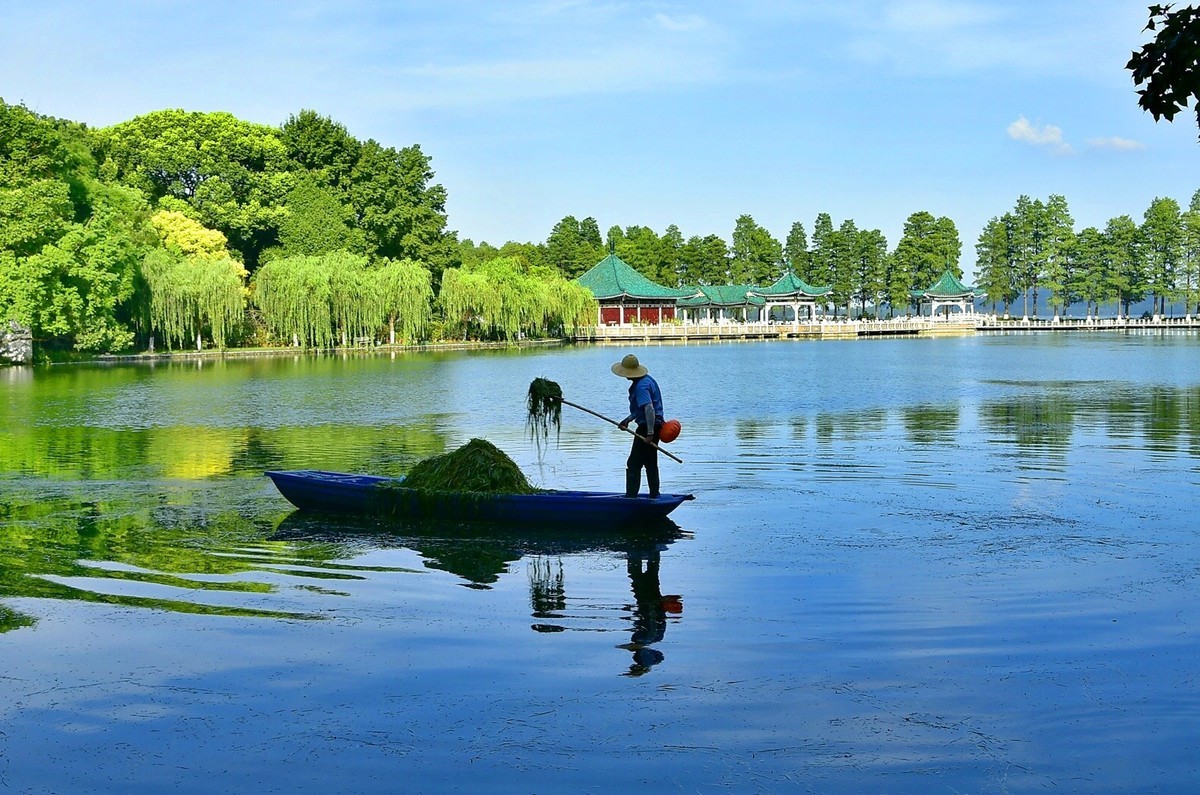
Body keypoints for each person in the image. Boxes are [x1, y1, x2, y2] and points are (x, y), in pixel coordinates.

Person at [612, 353, 664, 499]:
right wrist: (628, 420)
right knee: (650, 461)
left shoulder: (641, 386)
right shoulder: (647, 380)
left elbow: (649, 409)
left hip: (648, 426)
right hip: (654, 425)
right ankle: (654, 494)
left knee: (634, 463)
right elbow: (641, 409)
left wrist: (649, 433)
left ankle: (631, 497)